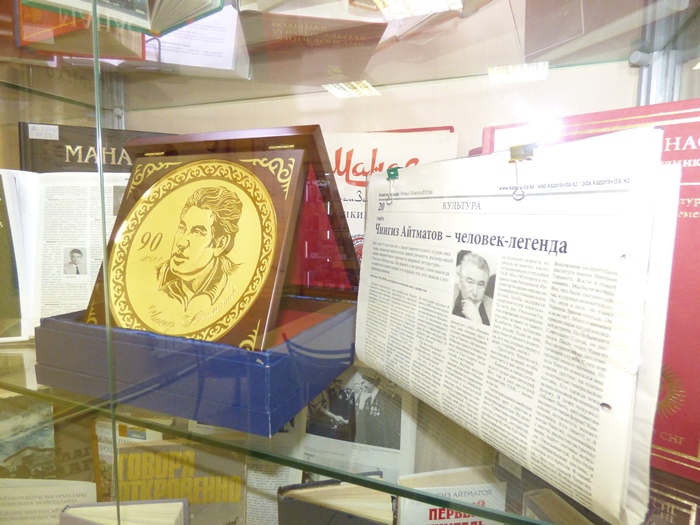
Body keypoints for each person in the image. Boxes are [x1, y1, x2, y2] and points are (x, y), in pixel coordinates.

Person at [156, 186, 243, 311]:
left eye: (197, 232)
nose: (181, 243)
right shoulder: (156, 278)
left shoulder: (234, 284)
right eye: (182, 228)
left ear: (220, 244)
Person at [453, 252, 492, 325]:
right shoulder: (448, 297)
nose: (475, 292)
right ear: (460, 283)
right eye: (470, 282)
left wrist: (476, 321)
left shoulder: (492, 307)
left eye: (480, 284)